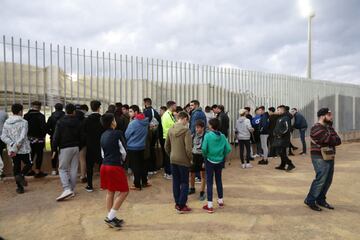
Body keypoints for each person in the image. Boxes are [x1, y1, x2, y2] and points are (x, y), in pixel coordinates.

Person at [304, 108, 341, 211]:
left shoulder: (329, 127)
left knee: (328, 179)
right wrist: (330, 138)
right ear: (322, 116)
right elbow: (326, 139)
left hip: (329, 155)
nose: (331, 117)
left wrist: (330, 138)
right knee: (321, 179)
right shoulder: (316, 128)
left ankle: (321, 199)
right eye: (329, 115)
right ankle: (310, 200)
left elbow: (338, 140)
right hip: (319, 156)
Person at [100, 113, 129, 229]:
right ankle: (110, 217)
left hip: (104, 166)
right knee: (124, 191)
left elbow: (102, 153)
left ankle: (111, 216)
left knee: (110, 191)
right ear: (112, 122)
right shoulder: (117, 133)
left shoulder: (102, 135)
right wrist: (121, 161)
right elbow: (123, 152)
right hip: (115, 166)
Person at [53, 103, 82, 201]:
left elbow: (56, 137)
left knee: (62, 169)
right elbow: (82, 136)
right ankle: (72, 190)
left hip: (65, 148)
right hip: (76, 147)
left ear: (65, 111)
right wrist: (79, 146)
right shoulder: (78, 122)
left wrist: (54, 149)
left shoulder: (60, 121)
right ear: (74, 111)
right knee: (74, 169)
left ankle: (66, 189)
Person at [1, 104, 32, 194]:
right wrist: (17, 145)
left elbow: (3, 136)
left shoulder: (7, 122)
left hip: (12, 150)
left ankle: (19, 188)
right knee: (29, 163)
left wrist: (11, 144)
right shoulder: (24, 122)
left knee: (16, 167)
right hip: (23, 148)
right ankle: (21, 175)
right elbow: (23, 136)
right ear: (20, 111)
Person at [202, 118, 231, 213]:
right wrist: (222, 155)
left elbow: (204, 149)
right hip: (219, 161)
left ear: (211, 126)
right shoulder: (222, 136)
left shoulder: (207, 136)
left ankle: (210, 205)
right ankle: (220, 200)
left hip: (209, 160)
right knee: (219, 180)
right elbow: (228, 149)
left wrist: (206, 156)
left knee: (209, 182)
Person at [165, 111, 193, 213]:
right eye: (187, 120)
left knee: (175, 182)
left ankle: (177, 203)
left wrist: (171, 155)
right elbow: (188, 149)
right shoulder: (186, 131)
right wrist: (191, 159)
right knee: (185, 182)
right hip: (184, 160)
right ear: (185, 118)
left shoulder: (170, 129)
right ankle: (182, 205)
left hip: (173, 159)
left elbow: (166, 146)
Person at [125, 105, 150, 190]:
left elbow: (126, 135)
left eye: (131, 111)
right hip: (142, 146)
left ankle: (137, 184)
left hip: (132, 147)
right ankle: (144, 182)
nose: (129, 113)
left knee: (136, 167)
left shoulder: (133, 123)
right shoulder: (145, 121)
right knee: (142, 165)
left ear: (136, 112)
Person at [82, 100, 104, 192]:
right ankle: (103, 185)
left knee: (89, 167)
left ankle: (90, 185)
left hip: (90, 146)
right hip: (101, 145)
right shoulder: (102, 119)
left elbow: (83, 133)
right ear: (99, 108)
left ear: (91, 107)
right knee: (102, 166)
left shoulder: (86, 120)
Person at [24, 101, 47, 178]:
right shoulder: (41, 116)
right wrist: (43, 136)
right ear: (39, 107)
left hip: (29, 138)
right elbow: (44, 128)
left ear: (32, 106)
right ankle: (37, 171)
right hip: (39, 139)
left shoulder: (26, 116)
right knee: (39, 155)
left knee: (30, 154)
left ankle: (29, 170)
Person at [272, 105, 296, 172]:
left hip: (283, 139)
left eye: (278, 110)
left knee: (281, 152)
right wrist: (274, 132)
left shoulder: (286, 118)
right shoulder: (279, 118)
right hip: (278, 138)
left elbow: (287, 128)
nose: (277, 111)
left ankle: (290, 164)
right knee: (281, 153)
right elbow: (277, 127)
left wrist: (280, 134)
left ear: (282, 110)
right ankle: (282, 165)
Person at [188, 120, 206, 200]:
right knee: (192, 173)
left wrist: (205, 161)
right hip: (194, 156)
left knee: (203, 175)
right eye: (196, 127)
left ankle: (202, 192)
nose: (196, 129)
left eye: (198, 127)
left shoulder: (206, 136)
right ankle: (192, 188)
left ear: (202, 128)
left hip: (202, 156)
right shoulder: (193, 135)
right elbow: (191, 145)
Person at [143, 98, 161, 175]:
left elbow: (144, 123)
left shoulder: (146, 112)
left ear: (145, 103)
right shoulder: (156, 112)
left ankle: (150, 168)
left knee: (148, 151)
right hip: (155, 133)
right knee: (153, 149)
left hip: (148, 134)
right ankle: (154, 168)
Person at [46, 103, 65, 176]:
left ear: (55, 108)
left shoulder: (51, 117)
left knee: (53, 152)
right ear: (62, 108)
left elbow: (47, 128)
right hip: (63, 137)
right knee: (63, 153)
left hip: (53, 137)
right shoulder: (64, 116)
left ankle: (54, 169)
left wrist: (52, 134)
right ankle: (62, 168)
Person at [161, 101, 177, 179]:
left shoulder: (169, 114)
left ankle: (168, 172)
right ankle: (168, 172)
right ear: (171, 106)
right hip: (168, 137)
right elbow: (173, 126)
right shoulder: (167, 115)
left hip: (169, 136)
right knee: (168, 156)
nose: (176, 107)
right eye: (175, 105)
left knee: (169, 155)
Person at [0, 109, 9, 179]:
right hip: (2, 136)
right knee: (0, 153)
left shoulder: (3, 113)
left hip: (1, 136)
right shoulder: (4, 113)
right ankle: (0, 172)